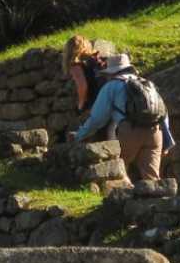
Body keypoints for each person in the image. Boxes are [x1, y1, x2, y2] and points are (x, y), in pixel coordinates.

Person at [70, 54, 165, 182]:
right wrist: (168, 141)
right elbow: (163, 113)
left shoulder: (111, 86)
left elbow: (97, 120)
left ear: (111, 72)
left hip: (130, 131)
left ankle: (123, 199)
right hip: (155, 131)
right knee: (152, 178)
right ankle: (157, 201)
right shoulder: (147, 83)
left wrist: (79, 135)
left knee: (119, 171)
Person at [62, 35, 106, 119]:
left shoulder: (75, 64)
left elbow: (82, 86)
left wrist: (80, 105)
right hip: (107, 96)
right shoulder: (95, 58)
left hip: (95, 102)